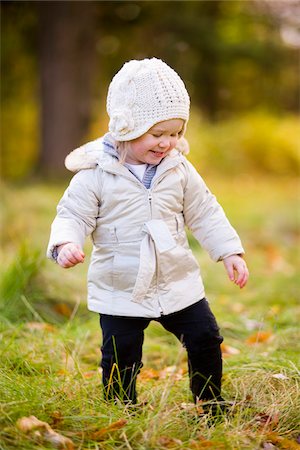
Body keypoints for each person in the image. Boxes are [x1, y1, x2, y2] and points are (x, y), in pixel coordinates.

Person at [47, 58, 249, 413]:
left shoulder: (179, 169)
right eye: (158, 134)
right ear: (127, 128)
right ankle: (121, 407)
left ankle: (210, 402)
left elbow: (204, 210)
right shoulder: (96, 174)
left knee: (205, 337)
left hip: (176, 280)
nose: (167, 144)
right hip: (120, 285)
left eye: (176, 134)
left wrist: (229, 251)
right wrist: (66, 242)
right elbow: (73, 214)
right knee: (121, 354)